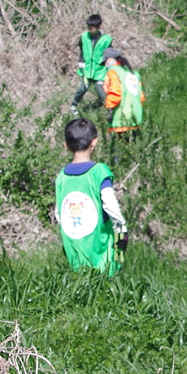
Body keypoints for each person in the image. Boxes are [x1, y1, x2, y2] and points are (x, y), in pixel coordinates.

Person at [55, 118, 128, 275]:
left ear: (66, 146)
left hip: (74, 246)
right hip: (100, 247)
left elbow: (59, 212)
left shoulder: (61, 177)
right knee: (108, 281)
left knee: (79, 281)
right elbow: (110, 204)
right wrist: (121, 229)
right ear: (94, 142)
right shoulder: (99, 172)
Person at [72, 14, 112, 113]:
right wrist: (81, 62)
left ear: (99, 27)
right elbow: (82, 50)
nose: (90, 30)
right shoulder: (84, 37)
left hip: (99, 71)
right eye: (88, 28)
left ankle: (109, 110)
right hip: (86, 69)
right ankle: (74, 105)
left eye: (92, 28)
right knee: (82, 88)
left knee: (102, 92)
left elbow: (109, 54)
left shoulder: (106, 40)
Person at [102, 50, 144, 136]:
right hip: (135, 116)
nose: (105, 65)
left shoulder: (114, 72)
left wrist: (109, 109)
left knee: (119, 146)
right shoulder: (134, 74)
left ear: (110, 59)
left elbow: (115, 92)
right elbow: (141, 97)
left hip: (121, 116)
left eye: (105, 61)